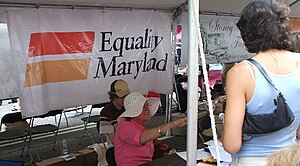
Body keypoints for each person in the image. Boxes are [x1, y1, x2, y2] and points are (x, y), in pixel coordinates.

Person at [222, 0, 300, 166]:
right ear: (284, 27)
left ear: (247, 32)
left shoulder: (240, 72)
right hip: (291, 159)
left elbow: (231, 145)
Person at [114, 92, 187, 166]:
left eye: (147, 105)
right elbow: (141, 138)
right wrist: (171, 124)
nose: (147, 109)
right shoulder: (124, 126)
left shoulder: (141, 128)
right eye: (143, 107)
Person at [99, 79, 130, 147]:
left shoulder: (128, 107)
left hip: (132, 143)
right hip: (117, 148)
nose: (124, 99)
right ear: (113, 96)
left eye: (126, 96)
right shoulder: (105, 112)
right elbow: (113, 140)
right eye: (121, 97)